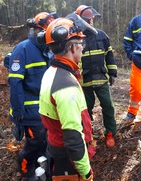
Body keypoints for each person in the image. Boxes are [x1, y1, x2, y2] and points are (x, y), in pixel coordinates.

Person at [38, 15, 97, 181]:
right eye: (81, 44)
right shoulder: (66, 86)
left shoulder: (52, 72)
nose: (82, 49)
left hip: (58, 151)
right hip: (69, 160)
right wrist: (86, 172)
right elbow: (73, 137)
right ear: (72, 48)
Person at [7, 11, 57, 180]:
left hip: (48, 109)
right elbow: (15, 83)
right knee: (35, 143)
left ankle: (43, 170)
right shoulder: (22, 50)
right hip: (30, 112)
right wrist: (18, 112)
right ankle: (26, 169)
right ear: (37, 30)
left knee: (48, 143)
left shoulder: (51, 50)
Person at [76, 5, 117, 147]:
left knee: (108, 106)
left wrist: (112, 73)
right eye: (87, 19)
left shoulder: (101, 35)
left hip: (101, 78)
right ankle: (87, 135)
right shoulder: (77, 37)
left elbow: (109, 55)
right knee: (85, 109)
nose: (90, 21)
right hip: (84, 81)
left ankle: (110, 133)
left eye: (91, 18)